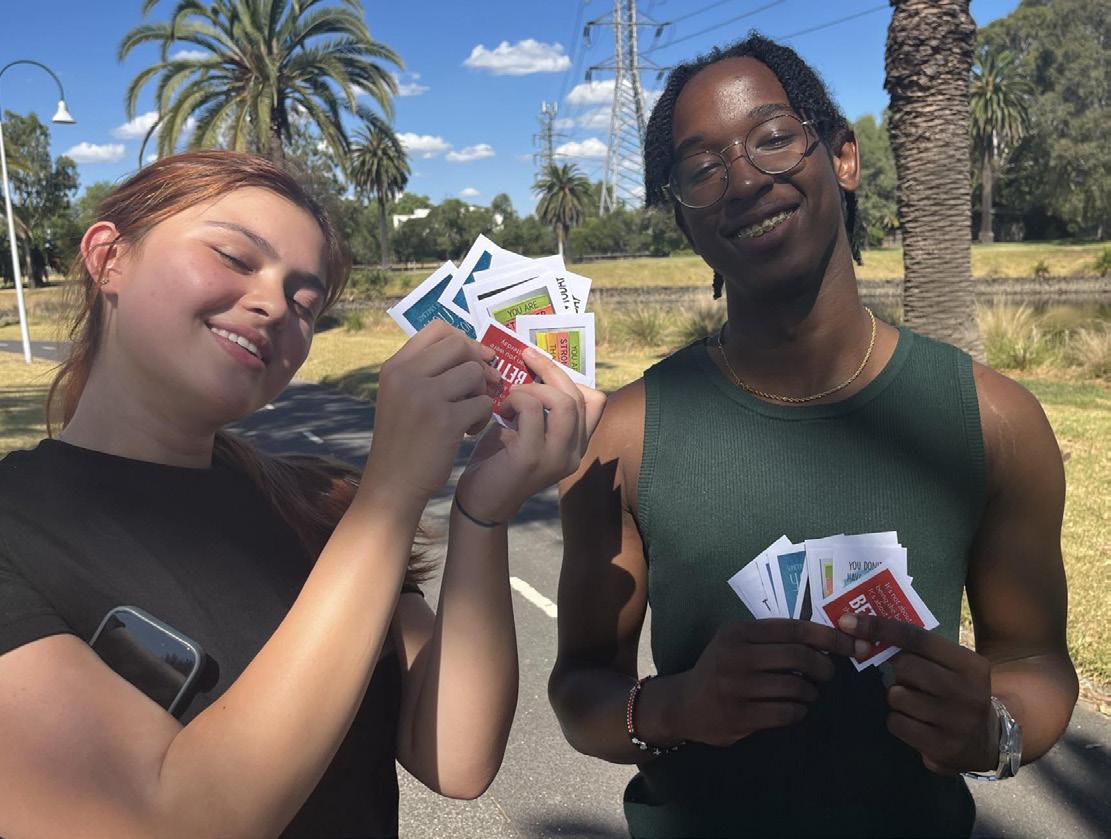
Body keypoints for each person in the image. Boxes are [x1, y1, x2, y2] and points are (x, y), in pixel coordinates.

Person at [549, 34, 1077, 838]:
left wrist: (992, 731)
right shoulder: (624, 437)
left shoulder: (994, 420)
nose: (743, 180)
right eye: (701, 169)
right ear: (684, 219)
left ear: (842, 156)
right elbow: (580, 687)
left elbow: (1035, 661)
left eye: (771, 138)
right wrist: (676, 704)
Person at [0, 150, 604, 838]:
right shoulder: (16, 530)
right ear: (109, 257)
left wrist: (481, 512)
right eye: (234, 257)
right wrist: (391, 491)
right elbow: (170, 822)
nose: (271, 305)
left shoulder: (317, 501)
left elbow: (455, 756)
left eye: (304, 302)